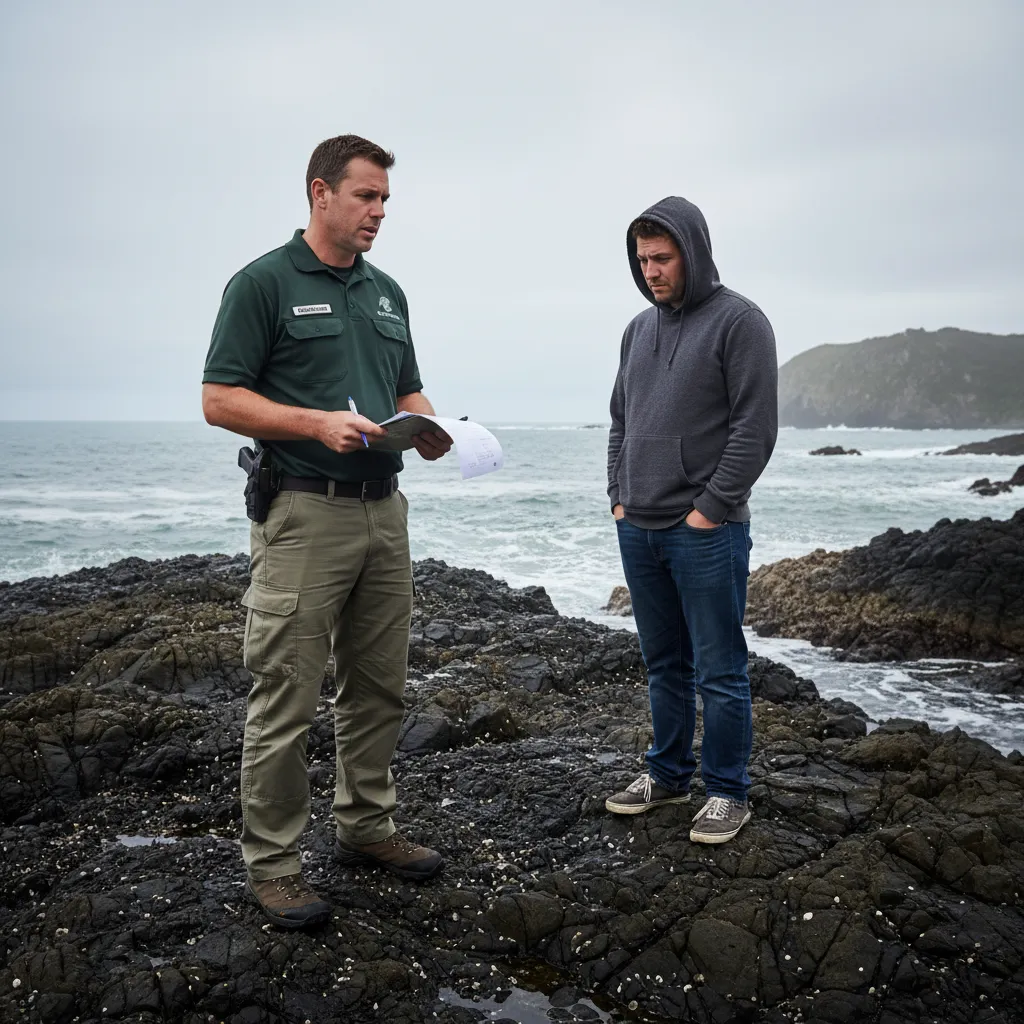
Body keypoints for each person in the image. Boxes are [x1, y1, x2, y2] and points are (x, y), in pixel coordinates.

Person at [202, 134, 452, 929]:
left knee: (379, 682)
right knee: (287, 692)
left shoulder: (387, 294)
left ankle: (365, 828)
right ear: (321, 193)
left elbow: (406, 389)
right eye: (366, 196)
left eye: (385, 200)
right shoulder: (262, 284)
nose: (379, 212)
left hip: (386, 511)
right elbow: (218, 398)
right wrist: (313, 423)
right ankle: (274, 866)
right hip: (303, 512)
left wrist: (432, 427)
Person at [604, 197, 778, 844]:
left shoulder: (741, 323)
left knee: (721, 669)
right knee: (663, 663)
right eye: (642, 259)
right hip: (638, 525)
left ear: (693, 252)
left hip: (706, 531)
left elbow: (754, 429)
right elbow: (621, 420)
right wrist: (617, 495)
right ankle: (668, 775)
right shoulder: (637, 330)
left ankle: (728, 791)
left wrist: (709, 510)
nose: (651, 270)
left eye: (663, 257)